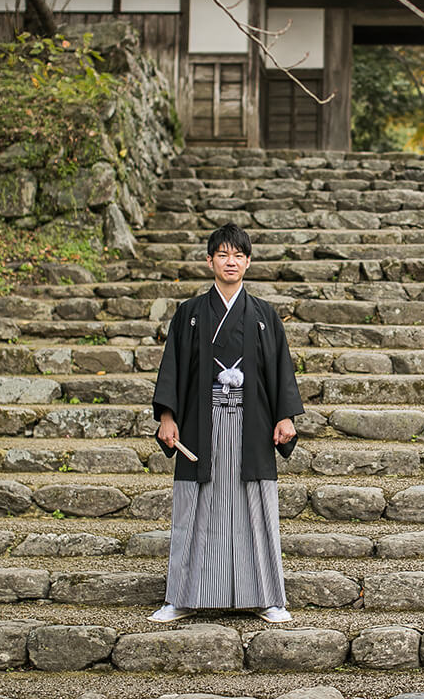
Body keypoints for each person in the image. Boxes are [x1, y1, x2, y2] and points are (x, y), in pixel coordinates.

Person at [147, 223, 303, 624]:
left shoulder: (264, 315)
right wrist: (167, 416)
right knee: (195, 508)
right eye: (222, 254)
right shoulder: (190, 314)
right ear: (210, 260)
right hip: (202, 422)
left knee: (254, 508)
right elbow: (174, 368)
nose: (230, 262)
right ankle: (181, 597)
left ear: (248, 262)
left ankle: (268, 597)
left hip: (251, 425)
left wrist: (285, 415)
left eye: (238, 255)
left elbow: (279, 369)